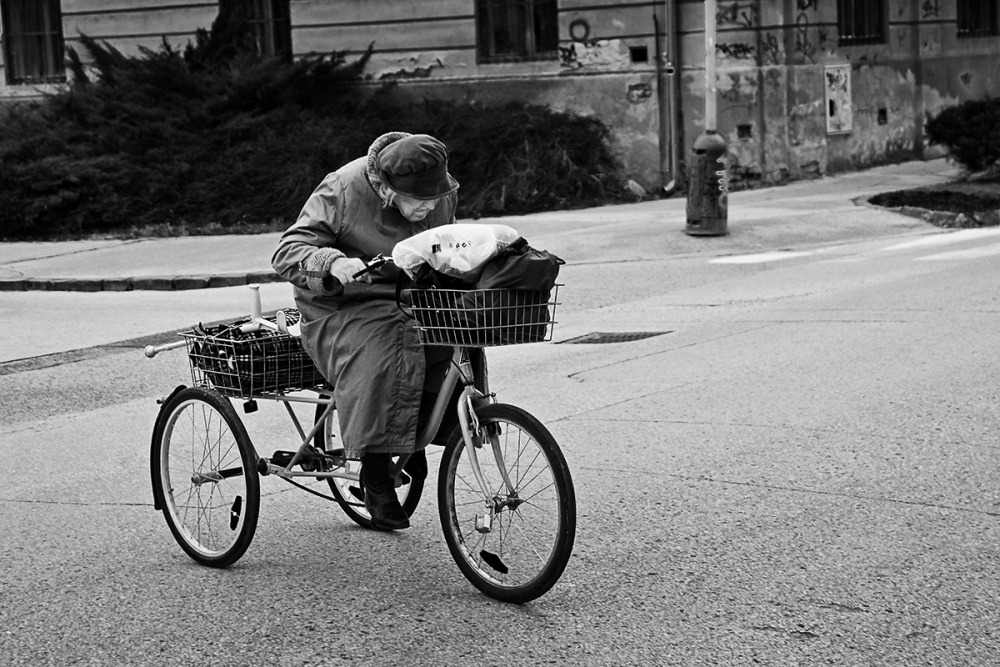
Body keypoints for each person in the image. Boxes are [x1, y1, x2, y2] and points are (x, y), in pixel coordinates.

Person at [271, 132, 460, 531]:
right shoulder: (343, 187)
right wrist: (332, 263)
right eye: (419, 200)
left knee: (454, 335)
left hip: (410, 294)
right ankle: (375, 473)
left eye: (435, 198)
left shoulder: (440, 194)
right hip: (342, 303)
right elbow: (288, 251)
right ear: (388, 188)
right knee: (387, 344)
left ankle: (412, 433)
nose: (429, 207)